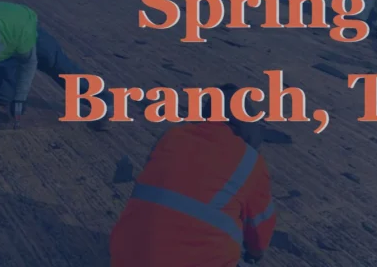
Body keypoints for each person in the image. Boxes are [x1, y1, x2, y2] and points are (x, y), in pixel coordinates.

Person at [110, 84, 276, 267]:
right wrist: (253, 255)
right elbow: (259, 237)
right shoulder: (250, 160)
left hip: (125, 259)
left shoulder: (171, 136)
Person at [0, 2, 114, 132]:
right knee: (2, 98)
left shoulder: (19, 30)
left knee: (58, 67)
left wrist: (21, 98)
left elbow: (29, 63)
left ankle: (104, 99)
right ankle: (7, 72)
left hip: (25, 31)